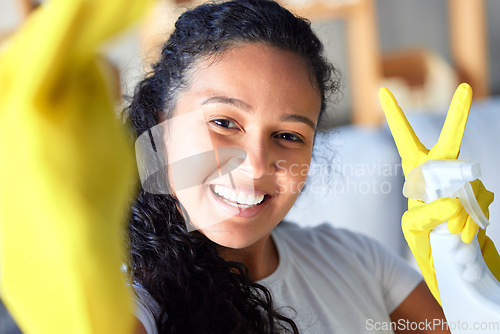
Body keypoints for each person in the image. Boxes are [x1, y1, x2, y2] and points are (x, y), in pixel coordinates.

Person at [125, 0, 452, 333]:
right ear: (161, 126)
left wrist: (468, 277)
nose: (255, 166)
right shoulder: (131, 305)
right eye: (223, 122)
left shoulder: (359, 259)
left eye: (287, 135)